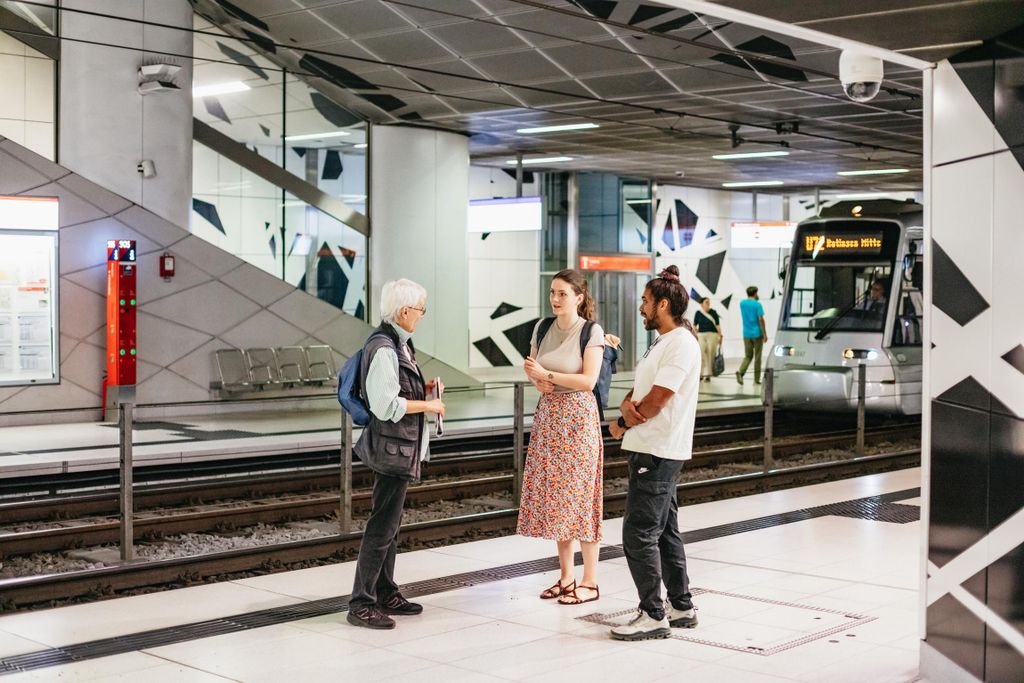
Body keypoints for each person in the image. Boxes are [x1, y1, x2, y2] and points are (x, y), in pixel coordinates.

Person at [607, 265, 701, 641]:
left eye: (645, 301)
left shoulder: (680, 343)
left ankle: (653, 614)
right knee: (664, 533)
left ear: (663, 304)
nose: (640, 307)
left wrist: (627, 419)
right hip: (652, 446)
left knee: (638, 533)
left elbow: (656, 400)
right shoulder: (665, 341)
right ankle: (681, 606)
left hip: (657, 449)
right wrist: (628, 411)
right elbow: (638, 393)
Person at [347, 279, 446, 630]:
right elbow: (387, 405)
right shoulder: (386, 348)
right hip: (393, 446)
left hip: (400, 446)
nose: (421, 316)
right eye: (421, 310)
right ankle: (362, 602)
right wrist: (429, 404)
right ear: (404, 312)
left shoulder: (399, 344)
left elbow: (396, 389)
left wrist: (425, 388)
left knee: (390, 525)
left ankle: (386, 592)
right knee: (381, 526)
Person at [518, 269, 605, 606]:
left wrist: (547, 375)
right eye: (552, 292)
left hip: (578, 420)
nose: (555, 299)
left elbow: (588, 381)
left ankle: (590, 580)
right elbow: (532, 368)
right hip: (549, 418)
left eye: (562, 294)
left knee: (581, 497)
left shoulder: (591, 332)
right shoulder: (542, 328)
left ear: (579, 297)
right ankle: (567, 576)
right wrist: (538, 381)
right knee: (557, 498)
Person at [736, 286, 767, 385]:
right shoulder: (757, 305)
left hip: (746, 333)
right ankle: (756, 379)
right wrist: (764, 333)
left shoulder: (742, 304)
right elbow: (761, 319)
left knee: (748, 356)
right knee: (758, 357)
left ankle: (740, 372)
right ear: (755, 293)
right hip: (757, 333)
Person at [693, 297, 722, 382]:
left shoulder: (713, 312)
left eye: (709, 302)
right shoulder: (698, 313)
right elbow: (694, 325)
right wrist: (695, 332)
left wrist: (720, 336)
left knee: (710, 354)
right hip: (701, 335)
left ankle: (709, 374)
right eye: (706, 302)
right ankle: (700, 374)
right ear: (702, 304)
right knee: (700, 354)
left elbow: (717, 325)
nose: (708, 303)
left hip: (712, 335)